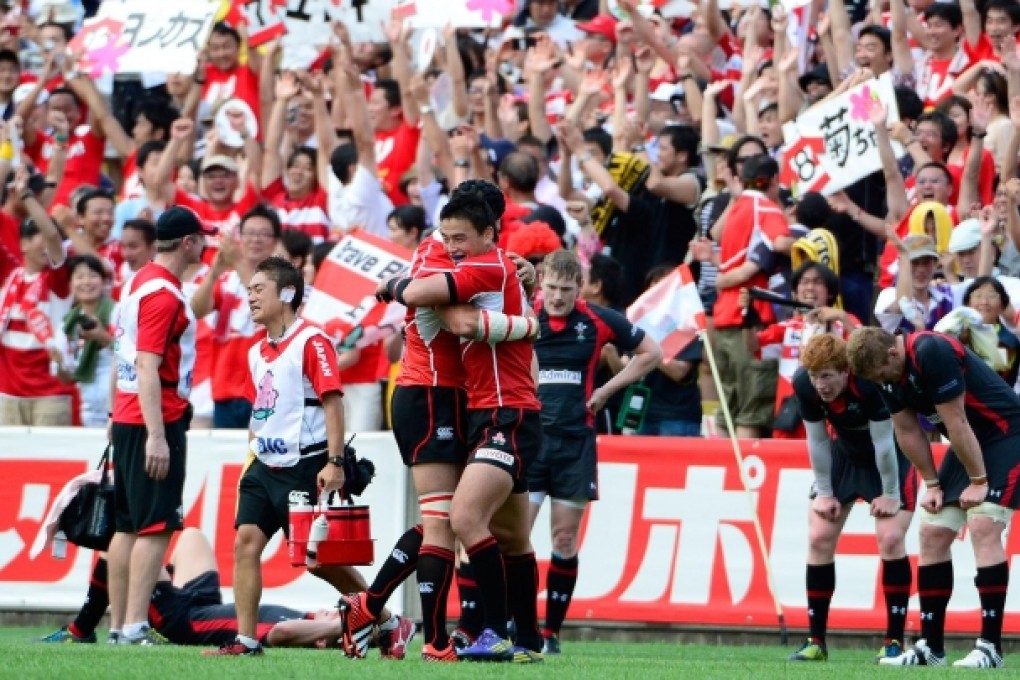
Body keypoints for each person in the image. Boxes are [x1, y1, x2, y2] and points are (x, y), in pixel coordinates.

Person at [341, 180, 539, 663]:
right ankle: (437, 639)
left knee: (481, 526)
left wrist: (523, 308)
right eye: (448, 234)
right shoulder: (442, 251)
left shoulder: (487, 262)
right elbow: (450, 315)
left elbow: (480, 307)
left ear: (489, 232)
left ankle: (508, 636)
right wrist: (526, 324)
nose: (451, 245)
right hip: (430, 392)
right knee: (446, 520)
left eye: (461, 237)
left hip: (478, 402)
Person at [203, 256, 372, 656]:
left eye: (259, 289)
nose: (251, 297)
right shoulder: (255, 351)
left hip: (306, 464)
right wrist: (251, 452)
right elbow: (258, 411)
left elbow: (333, 403)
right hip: (262, 464)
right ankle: (245, 640)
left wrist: (334, 463)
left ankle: (380, 614)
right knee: (246, 542)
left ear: (288, 294)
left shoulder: (313, 341)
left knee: (316, 559)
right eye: (249, 291)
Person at [847, 326, 1020, 669]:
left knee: (984, 522)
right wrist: (933, 484)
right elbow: (907, 429)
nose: (882, 381)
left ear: (893, 354)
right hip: (967, 441)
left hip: (1005, 432)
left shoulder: (931, 350)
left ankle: (990, 647)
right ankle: (932, 648)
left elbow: (955, 421)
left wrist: (979, 480)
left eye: (883, 374)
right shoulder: (884, 372)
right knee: (932, 531)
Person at [529, 249, 661, 653]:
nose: (556, 297)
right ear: (541, 284)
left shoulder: (597, 319)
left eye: (565, 290)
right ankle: (515, 625)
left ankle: (550, 633)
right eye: (550, 287)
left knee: (564, 538)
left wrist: (606, 390)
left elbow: (652, 353)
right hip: (531, 440)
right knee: (514, 538)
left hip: (575, 443)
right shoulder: (524, 316)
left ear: (580, 288)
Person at [107, 206, 213, 645]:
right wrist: (156, 435)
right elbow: (149, 365)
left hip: (129, 411)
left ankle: (117, 626)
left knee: (128, 524)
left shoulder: (139, 281)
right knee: (155, 524)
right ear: (187, 242)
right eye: (201, 237)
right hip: (156, 414)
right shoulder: (164, 294)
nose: (205, 244)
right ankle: (133, 626)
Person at [786, 334, 915, 663]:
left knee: (889, 538)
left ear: (846, 371)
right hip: (844, 455)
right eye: (815, 376)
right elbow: (816, 440)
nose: (820, 385)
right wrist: (825, 492)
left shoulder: (868, 383)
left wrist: (889, 495)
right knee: (819, 537)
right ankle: (815, 641)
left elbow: (884, 443)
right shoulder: (804, 384)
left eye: (827, 376)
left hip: (889, 457)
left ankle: (894, 642)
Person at [41, 528, 348, 649]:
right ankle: (148, 587)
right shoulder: (303, 617)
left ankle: (82, 630)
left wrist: (337, 626)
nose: (331, 610)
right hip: (201, 603)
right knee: (192, 537)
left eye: (333, 613)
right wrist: (335, 622)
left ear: (322, 638)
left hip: (181, 619)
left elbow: (280, 635)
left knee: (120, 545)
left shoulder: (293, 626)